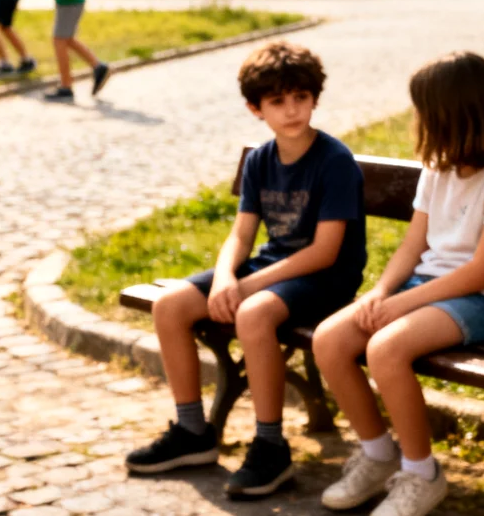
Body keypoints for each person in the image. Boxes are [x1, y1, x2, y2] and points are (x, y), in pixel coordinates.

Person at [126, 42, 366, 497]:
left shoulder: (334, 161)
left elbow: (325, 252)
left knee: (252, 312)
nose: (292, 110)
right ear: (255, 109)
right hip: (277, 269)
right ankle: (194, 433)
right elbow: (241, 234)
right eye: (278, 101)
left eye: (300, 98)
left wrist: (248, 285)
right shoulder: (260, 159)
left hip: (326, 279)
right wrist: (223, 278)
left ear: (315, 97)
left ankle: (271, 447)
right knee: (170, 304)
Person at [312, 52, 484, 516]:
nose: (416, 120)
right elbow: (412, 247)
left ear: (450, 116)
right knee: (331, 339)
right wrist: (380, 293)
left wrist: (403, 304)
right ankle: (378, 456)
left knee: (385, 349)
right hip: (427, 287)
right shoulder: (439, 169)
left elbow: (481, 273)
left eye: (422, 111)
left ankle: (421, 473)